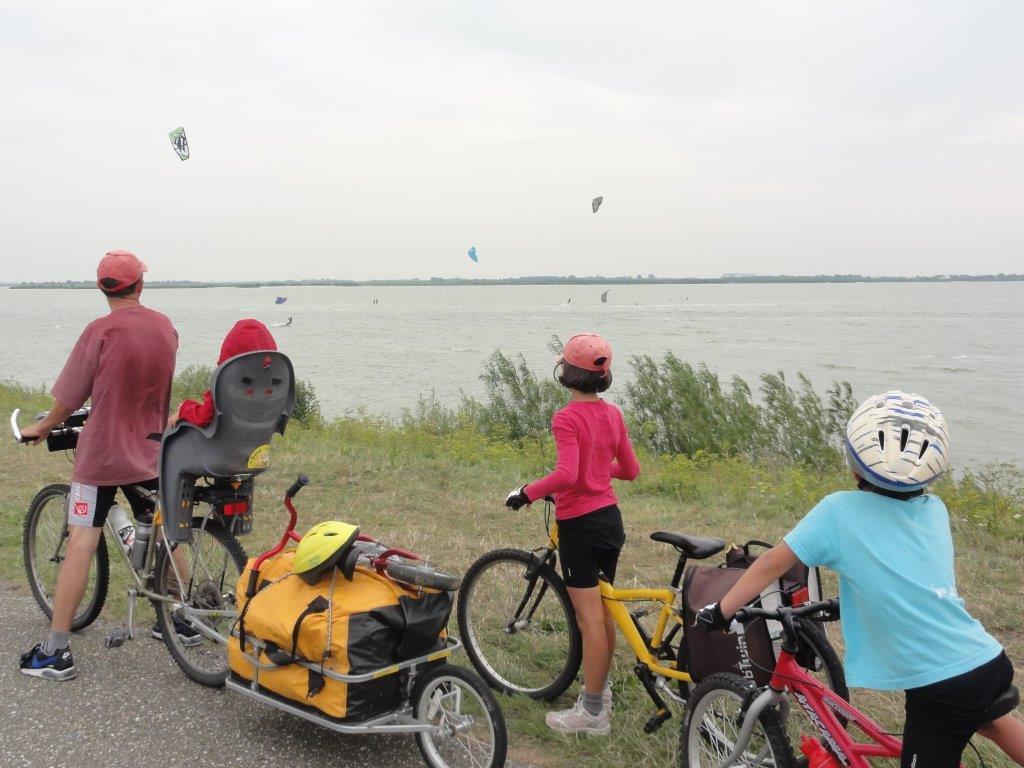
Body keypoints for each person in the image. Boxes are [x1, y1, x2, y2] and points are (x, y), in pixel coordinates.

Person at [695, 391, 1024, 767]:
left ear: (854, 466)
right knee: (995, 724)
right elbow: (903, 574)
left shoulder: (838, 511)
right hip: (984, 659)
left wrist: (721, 611)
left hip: (940, 683)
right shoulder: (935, 509)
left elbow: (771, 564)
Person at [19, 251, 184, 681]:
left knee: (81, 541)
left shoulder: (100, 331)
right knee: (167, 532)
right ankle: (184, 618)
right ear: (140, 285)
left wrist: (43, 426)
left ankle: (56, 652)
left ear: (102, 288)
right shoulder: (165, 326)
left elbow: (70, 397)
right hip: (151, 449)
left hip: (103, 456)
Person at [504, 332, 641, 735]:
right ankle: (601, 687)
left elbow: (567, 475)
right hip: (610, 521)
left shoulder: (566, 418)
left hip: (580, 526)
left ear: (565, 371)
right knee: (603, 610)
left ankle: (593, 712)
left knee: (589, 621)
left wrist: (526, 493)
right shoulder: (613, 414)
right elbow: (630, 470)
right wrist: (602, 472)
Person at [167, 319, 277, 429]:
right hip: (261, 438)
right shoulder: (272, 384)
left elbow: (204, 417)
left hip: (225, 441)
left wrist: (183, 409)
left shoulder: (227, 380)